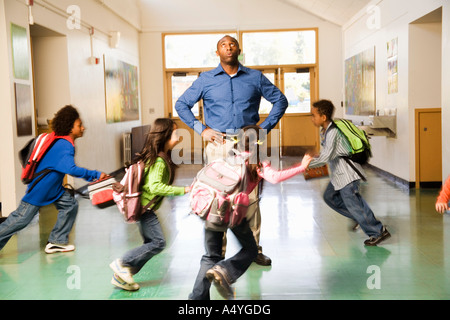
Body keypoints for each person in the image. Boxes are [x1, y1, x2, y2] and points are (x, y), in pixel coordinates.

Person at [175, 35, 289, 266]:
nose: (228, 47)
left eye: (232, 44)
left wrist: (264, 129)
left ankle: (253, 249)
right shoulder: (206, 80)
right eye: (223, 45)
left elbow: (281, 101)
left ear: (239, 49)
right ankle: (218, 252)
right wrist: (201, 129)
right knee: (218, 197)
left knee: (252, 197)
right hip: (218, 144)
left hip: (250, 143)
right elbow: (181, 104)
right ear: (217, 52)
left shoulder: (255, 77)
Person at [189, 125, 312, 300]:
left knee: (211, 257)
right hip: (233, 213)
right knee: (251, 250)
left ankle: (196, 299)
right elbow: (275, 178)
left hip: (212, 210)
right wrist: (301, 167)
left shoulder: (228, 157)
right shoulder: (257, 162)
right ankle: (224, 271)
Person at [0, 105, 107, 253]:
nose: (83, 128)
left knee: (70, 206)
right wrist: (96, 174)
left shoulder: (62, 141)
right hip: (41, 189)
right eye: (79, 125)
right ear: (70, 128)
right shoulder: (64, 145)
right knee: (20, 219)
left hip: (54, 189)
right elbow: (71, 169)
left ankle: (57, 240)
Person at [109, 118, 191, 291]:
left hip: (142, 207)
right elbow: (155, 187)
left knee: (150, 243)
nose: (178, 135)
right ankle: (122, 263)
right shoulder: (160, 161)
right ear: (165, 136)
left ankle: (123, 276)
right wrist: (184, 190)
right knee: (158, 243)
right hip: (144, 209)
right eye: (175, 132)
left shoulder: (160, 157)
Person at [306, 99, 390, 246]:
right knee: (329, 197)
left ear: (323, 117)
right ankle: (359, 218)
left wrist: (307, 164)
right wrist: (314, 158)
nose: (312, 118)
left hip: (347, 175)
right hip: (338, 176)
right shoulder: (325, 131)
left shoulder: (333, 132)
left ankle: (378, 231)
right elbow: (328, 153)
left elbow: (327, 156)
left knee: (355, 204)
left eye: (314, 115)